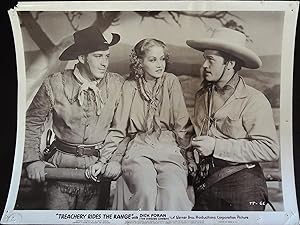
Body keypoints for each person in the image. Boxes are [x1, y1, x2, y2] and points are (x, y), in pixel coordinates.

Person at [23, 26, 124, 209]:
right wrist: (32, 160)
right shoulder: (55, 83)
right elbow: (32, 121)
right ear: (82, 58)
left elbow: (122, 128)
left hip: (99, 168)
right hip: (60, 168)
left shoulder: (117, 84)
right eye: (98, 56)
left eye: (107, 56)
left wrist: (116, 160)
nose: (105, 63)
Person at [88, 38, 194, 210]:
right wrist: (105, 159)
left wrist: (189, 157)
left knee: (173, 191)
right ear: (140, 62)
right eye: (153, 60)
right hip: (138, 148)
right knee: (145, 190)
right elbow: (119, 128)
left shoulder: (171, 81)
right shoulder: (130, 86)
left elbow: (182, 125)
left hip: (168, 148)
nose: (160, 64)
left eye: (162, 59)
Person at [185, 27, 280, 211]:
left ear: (229, 64)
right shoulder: (201, 96)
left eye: (211, 59)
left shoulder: (254, 100)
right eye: (204, 58)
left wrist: (215, 146)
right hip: (205, 185)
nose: (204, 65)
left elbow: (269, 149)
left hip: (244, 185)